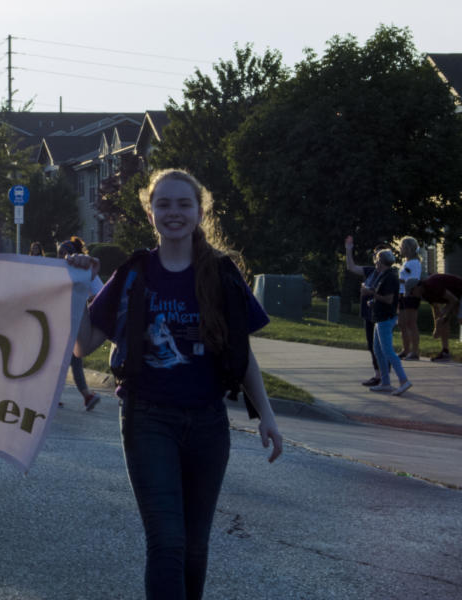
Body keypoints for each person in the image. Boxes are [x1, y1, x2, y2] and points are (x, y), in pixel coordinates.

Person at [72, 169, 282, 600]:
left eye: (183, 204)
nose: (174, 212)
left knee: (194, 548)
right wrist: (78, 289)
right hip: (148, 419)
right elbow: (82, 345)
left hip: (208, 423)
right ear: (150, 212)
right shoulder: (134, 273)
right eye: (163, 204)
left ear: (200, 211)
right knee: (166, 543)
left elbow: (242, 356)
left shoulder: (222, 275)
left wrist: (267, 415)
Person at [60, 236, 102, 411]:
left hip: (77, 327)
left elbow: (100, 294)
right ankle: (85, 395)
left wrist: (86, 303)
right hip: (58, 326)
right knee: (60, 362)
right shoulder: (58, 272)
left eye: (64, 253)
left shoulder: (87, 271)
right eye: (59, 254)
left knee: (73, 361)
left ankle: (86, 395)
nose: (62, 257)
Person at [365, 249, 412, 394]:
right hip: (380, 317)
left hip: (386, 318)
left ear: (381, 262)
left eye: (377, 260)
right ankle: (385, 382)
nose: (376, 263)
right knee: (378, 351)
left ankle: (404, 380)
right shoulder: (383, 276)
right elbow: (382, 296)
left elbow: (389, 299)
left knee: (388, 351)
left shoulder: (390, 277)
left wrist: (371, 293)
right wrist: (373, 301)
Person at [344, 237, 385, 386]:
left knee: (382, 346)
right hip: (368, 313)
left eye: (380, 255)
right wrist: (349, 250)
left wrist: (369, 291)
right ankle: (378, 374)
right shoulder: (370, 271)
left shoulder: (388, 274)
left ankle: (384, 375)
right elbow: (351, 267)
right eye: (375, 255)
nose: (377, 258)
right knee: (371, 345)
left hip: (381, 315)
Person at [415, 271, 462, 361]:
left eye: (412, 291)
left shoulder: (432, 285)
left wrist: (444, 315)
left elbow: (454, 300)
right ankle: (445, 352)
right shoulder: (424, 293)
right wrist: (436, 328)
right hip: (455, 296)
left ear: (418, 287)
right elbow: (436, 309)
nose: (412, 295)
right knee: (443, 321)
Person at [396, 236, 424, 360]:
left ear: (408, 248)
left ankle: (415, 352)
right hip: (402, 294)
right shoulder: (406, 262)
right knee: (401, 323)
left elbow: (414, 280)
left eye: (402, 247)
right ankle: (405, 349)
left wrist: (397, 280)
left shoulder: (415, 263)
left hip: (411, 294)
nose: (400, 249)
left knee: (410, 323)